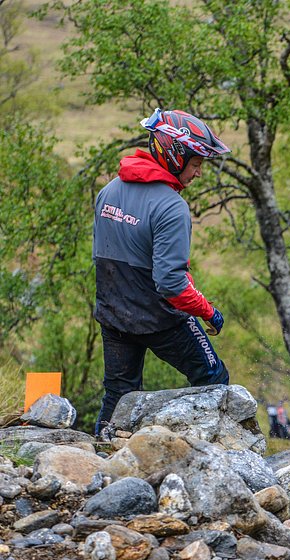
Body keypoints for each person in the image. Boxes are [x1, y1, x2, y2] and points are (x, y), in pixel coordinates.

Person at [93, 108, 231, 436]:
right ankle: (218, 454)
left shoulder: (108, 191)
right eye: (196, 164)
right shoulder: (171, 206)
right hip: (161, 319)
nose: (199, 173)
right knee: (215, 381)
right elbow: (170, 283)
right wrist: (209, 312)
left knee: (118, 396)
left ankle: (99, 455)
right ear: (175, 155)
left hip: (113, 316)